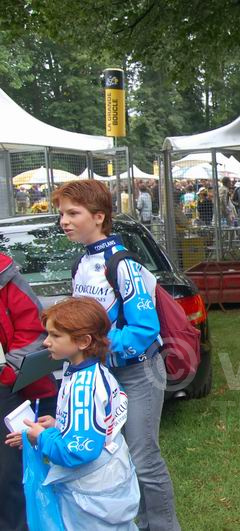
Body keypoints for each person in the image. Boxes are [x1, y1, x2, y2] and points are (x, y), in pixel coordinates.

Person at [52, 180, 181, 531]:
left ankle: (165, 526)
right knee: (117, 456)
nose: (64, 220)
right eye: (62, 213)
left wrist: (95, 346)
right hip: (103, 375)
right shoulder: (82, 263)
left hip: (139, 373)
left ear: (99, 217)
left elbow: (144, 329)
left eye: (73, 213)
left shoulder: (122, 264)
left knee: (142, 456)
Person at [5, 297, 140, 530]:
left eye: (55, 336)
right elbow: (96, 423)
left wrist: (42, 437)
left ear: (83, 341)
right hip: (110, 482)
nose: (46, 342)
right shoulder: (90, 370)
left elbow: (79, 451)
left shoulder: (82, 387)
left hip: (91, 496)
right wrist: (59, 426)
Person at [0, 252, 57, 531]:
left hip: (4, 388)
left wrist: (8, 373)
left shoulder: (6, 276)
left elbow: (33, 330)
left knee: (7, 474)